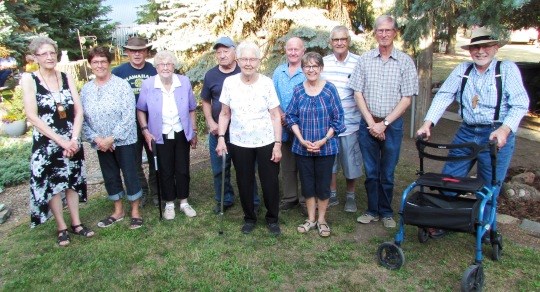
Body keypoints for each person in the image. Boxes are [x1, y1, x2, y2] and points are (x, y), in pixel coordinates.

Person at [416, 26, 529, 237]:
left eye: (485, 46)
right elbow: (443, 96)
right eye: (476, 47)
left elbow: (520, 104)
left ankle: (484, 228)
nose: (480, 51)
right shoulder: (463, 70)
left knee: (489, 185)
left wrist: (505, 129)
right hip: (467, 132)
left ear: (495, 48)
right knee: (449, 180)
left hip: (496, 134)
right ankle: (447, 221)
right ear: (470, 50)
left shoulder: (507, 69)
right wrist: (427, 123)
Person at [20, 36, 93, 246]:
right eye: (44, 54)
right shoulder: (29, 79)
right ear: (35, 57)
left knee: (72, 181)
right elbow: (32, 116)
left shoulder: (66, 76)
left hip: (72, 139)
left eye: (52, 52)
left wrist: (74, 139)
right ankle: (61, 226)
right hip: (48, 142)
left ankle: (77, 223)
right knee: (54, 184)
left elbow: (78, 110)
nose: (49, 57)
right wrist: (61, 141)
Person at [349, 15, 419, 228]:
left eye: (388, 30)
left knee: (387, 172)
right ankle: (372, 210)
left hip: (393, 125)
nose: (384, 34)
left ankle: (386, 212)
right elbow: (357, 93)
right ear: (375, 33)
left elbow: (406, 98)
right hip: (368, 124)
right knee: (371, 172)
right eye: (380, 30)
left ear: (395, 32)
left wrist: (384, 124)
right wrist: (372, 123)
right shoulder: (364, 60)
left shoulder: (405, 62)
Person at [215, 41, 283, 235]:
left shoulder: (267, 83)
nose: (248, 63)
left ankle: (272, 218)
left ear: (259, 61)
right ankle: (249, 217)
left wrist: (277, 144)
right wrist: (221, 137)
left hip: (266, 141)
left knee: (269, 181)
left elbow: (275, 115)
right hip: (239, 141)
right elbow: (225, 114)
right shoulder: (230, 83)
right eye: (244, 59)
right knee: (244, 181)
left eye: (252, 59)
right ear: (238, 60)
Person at [81, 46, 143, 229]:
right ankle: (118, 210)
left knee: (130, 174)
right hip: (100, 143)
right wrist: (97, 139)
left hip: (124, 140)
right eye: (95, 62)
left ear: (109, 63)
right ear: (90, 65)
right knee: (110, 175)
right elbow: (82, 118)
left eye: (103, 61)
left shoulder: (121, 85)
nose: (99, 65)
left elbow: (128, 115)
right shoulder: (86, 90)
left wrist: (112, 138)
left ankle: (135, 211)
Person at [286, 52, 345, 237]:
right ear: (303, 69)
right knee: (307, 184)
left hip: (325, 148)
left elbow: (338, 119)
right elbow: (290, 116)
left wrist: (324, 140)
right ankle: (311, 219)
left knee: (323, 185)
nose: (311, 69)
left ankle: (322, 220)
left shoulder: (330, 90)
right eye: (307, 66)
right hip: (302, 148)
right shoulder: (297, 90)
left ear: (321, 68)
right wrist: (301, 139)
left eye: (314, 66)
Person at [201, 36, 260, 214]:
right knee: (219, 169)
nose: (222, 55)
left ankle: (253, 201)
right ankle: (224, 199)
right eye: (218, 52)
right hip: (219, 131)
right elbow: (205, 101)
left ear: (235, 53)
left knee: (247, 169)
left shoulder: (244, 71)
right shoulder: (211, 75)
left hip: (243, 131)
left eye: (226, 51)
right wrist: (211, 122)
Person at [137, 50, 198, 220]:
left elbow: (192, 108)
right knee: (165, 170)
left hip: (180, 132)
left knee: (183, 169)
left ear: (174, 66)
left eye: (169, 64)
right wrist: (145, 131)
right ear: (156, 67)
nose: (165, 67)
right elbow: (141, 109)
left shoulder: (184, 82)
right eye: (161, 64)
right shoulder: (149, 84)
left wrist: (193, 130)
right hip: (159, 134)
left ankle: (184, 202)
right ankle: (169, 203)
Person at [321, 25, 363, 213]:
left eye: (343, 39)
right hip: (328, 125)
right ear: (331, 42)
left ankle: (351, 196)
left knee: (350, 161)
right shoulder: (324, 63)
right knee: (331, 161)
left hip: (351, 123)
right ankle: (332, 194)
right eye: (335, 40)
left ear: (348, 41)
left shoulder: (359, 62)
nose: (339, 43)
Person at [111, 37, 158, 207]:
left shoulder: (155, 70)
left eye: (140, 50)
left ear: (146, 52)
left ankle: (156, 191)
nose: (137, 54)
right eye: (133, 51)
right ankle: (142, 190)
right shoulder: (118, 72)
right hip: (129, 124)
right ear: (127, 52)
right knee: (133, 161)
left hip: (153, 123)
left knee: (155, 157)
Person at [272, 36, 306, 213]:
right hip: (282, 125)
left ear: (303, 51)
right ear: (286, 51)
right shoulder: (279, 72)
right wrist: (282, 115)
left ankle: (304, 199)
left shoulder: (306, 70)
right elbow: (272, 96)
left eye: (296, 49)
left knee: (303, 163)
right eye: (290, 49)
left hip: (302, 126)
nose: (293, 52)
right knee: (287, 165)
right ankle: (290, 197)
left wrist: (293, 118)